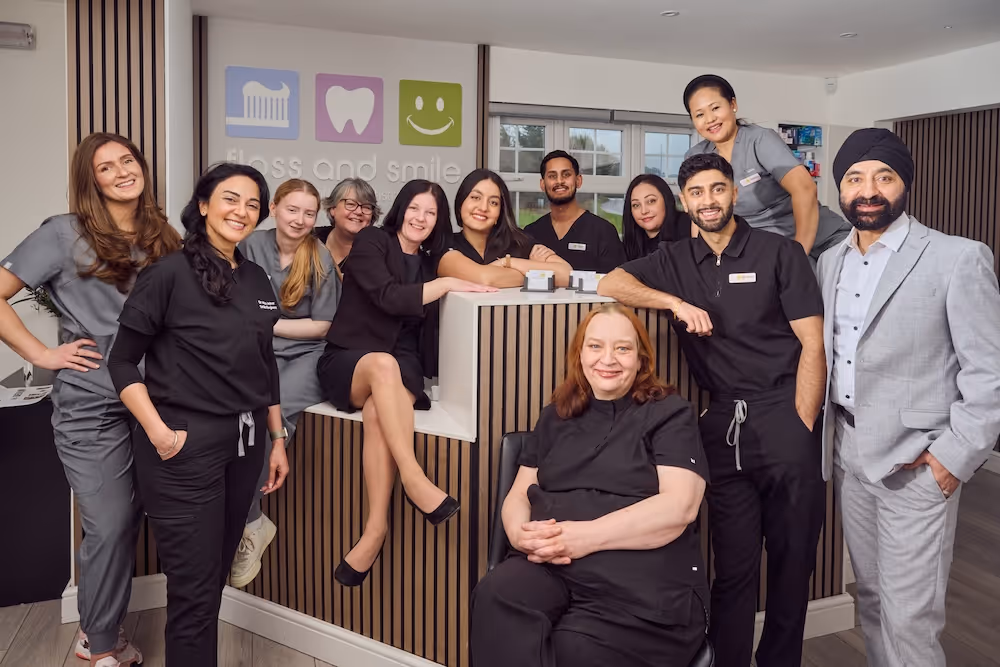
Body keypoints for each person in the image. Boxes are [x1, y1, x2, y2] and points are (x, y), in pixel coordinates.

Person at [598, 153, 827, 667]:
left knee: (792, 567)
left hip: (784, 413)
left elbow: (813, 345)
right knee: (732, 568)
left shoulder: (780, 253)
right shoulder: (675, 260)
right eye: (697, 193)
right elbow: (611, 282)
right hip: (723, 425)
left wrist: (802, 426)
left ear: (733, 193)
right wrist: (674, 304)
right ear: (685, 201)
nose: (708, 201)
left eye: (717, 189)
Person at [817, 129, 1000, 667]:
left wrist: (953, 459)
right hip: (850, 455)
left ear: (904, 184)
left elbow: (989, 370)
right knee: (871, 601)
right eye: (854, 178)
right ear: (840, 189)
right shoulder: (831, 261)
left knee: (911, 618)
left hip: (918, 462)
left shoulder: (958, 258)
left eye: (883, 177)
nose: (868, 190)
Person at [0, 132, 180, 667]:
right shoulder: (61, 234)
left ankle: (108, 630)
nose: (123, 171)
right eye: (107, 167)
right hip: (93, 406)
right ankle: (98, 643)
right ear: (90, 180)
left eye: (128, 160)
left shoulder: (164, 235)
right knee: (110, 521)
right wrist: (42, 354)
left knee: (151, 516)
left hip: (159, 402)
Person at [107, 162, 290, 666]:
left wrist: (276, 440)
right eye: (231, 198)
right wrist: (161, 434)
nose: (242, 211)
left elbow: (264, 364)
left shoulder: (255, 276)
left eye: (253, 204)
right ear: (204, 205)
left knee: (212, 583)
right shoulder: (167, 273)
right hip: (183, 446)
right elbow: (121, 361)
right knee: (192, 593)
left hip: (246, 443)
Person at [470, 303, 709, 667]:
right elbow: (519, 493)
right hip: (549, 565)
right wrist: (520, 535)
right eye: (595, 346)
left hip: (638, 583)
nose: (607, 359)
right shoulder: (555, 415)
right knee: (497, 595)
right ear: (579, 355)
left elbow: (680, 507)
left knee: (573, 651)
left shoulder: (670, 414)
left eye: (623, 348)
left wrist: (583, 538)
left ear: (642, 359)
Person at [317, 180, 494, 587]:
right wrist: (446, 285)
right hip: (350, 360)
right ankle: (415, 481)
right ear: (401, 208)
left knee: (382, 405)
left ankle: (375, 529)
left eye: (430, 213)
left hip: (405, 366)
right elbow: (388, 297)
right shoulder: (373, 242)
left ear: (438, 221)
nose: (421, 218)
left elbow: (487, 275)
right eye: (415, 208)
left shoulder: (436, 261)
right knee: (381, 366)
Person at [230, 178, 341, 588]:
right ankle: (251, 521)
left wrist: (268, 325)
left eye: (309, 213)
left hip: (306, 358)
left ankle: (249, 522)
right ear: (273, 207)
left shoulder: (320, 258)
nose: (300, 219)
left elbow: (324, 325)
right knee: (230, 419)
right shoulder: (247, 246)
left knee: (264, 421)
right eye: (292, 209)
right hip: (253, 354)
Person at [683, 74, 850, 265]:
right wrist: (699, 261)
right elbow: (700, 215)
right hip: (768, 249)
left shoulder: (760, 140)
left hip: (820, 241)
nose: (710, 119)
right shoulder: (697, 157)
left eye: (715, 108)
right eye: (699, 114)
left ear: (733, 105)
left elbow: (804, 189)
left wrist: (798, 254)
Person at [437, 168, 571, 287]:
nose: (483, 208)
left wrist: (508, 262)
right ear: (461, 203)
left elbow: (566, 274)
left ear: (501, 211)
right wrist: (535, 271)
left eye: (493, 202)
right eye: (475, 197)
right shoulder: (446, 245)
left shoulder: (519, 241)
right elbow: (485, 279)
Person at [524, 150, 626, 273]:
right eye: (552, 176)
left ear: (578, 181)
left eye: (566, 174)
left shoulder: (603, 231)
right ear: (542, 184)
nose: (559, 181)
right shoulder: (531, 233)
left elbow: (615, 283)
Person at [314, 177, 381, 276]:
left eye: (366, 207)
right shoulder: (311, 239)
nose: (358, 212)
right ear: (333, 208)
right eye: (350, 204)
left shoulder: (379, 251)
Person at [622, 173, 693, 261]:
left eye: (651, 201)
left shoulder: (687, 224)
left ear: (666, 200)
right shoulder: (632, 242)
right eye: (636, 205)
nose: (644, 211)